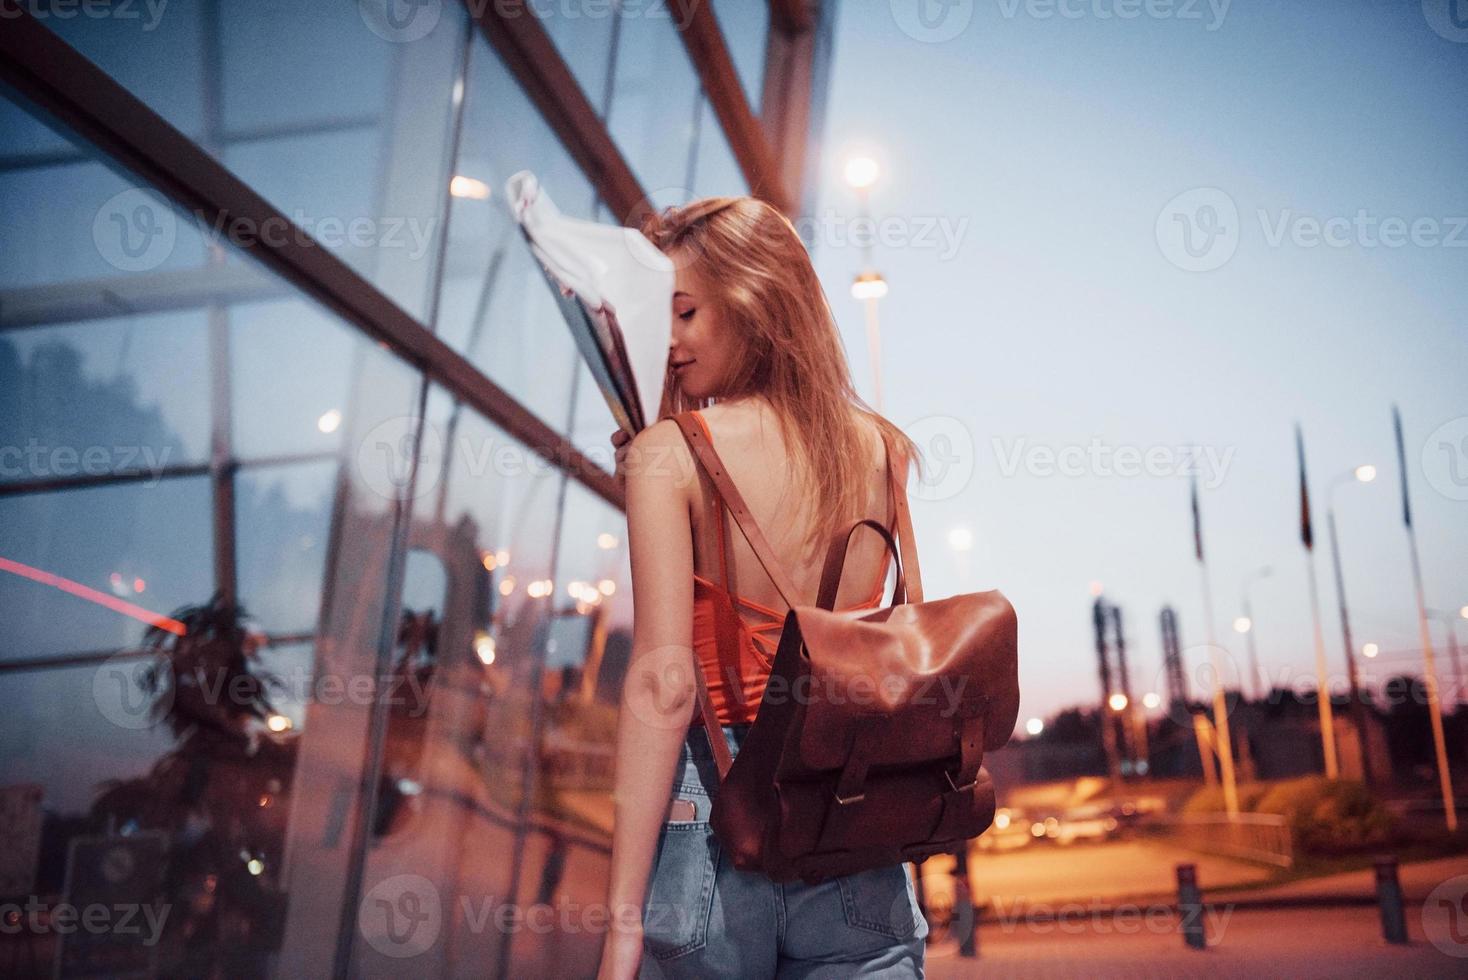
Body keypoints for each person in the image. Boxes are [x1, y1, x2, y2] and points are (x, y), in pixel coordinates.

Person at [597, 196, 928, 979]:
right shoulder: (882, 451)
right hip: (849, 828)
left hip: (711, 824)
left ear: (752, 301)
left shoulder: (669, 456)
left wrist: (619, 927)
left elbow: (662, 686)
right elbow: (899, 650)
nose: (667, 341)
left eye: (685, 313)